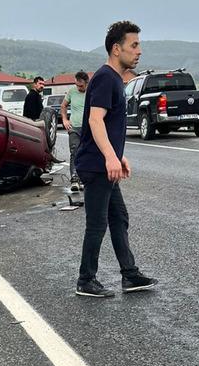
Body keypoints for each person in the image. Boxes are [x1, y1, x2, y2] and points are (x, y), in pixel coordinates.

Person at [74, 21, 157, 298]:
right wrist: (110, 157)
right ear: (116, 48)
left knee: (118, 218)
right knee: (97, 223)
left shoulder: (113, 80)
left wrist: (119, 156)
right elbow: (95, 120)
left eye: (139, 45)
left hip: (105, 163)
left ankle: (129, 275)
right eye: (134, 45)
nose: (139, 51)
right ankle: (86, 280)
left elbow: (108, 126)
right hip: (96, 165)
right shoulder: (105, 78)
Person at [61, 71, 89, 192]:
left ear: (87, 83)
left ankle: (84, 179)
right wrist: (64, 120)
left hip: (88, 128)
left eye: (81, 86)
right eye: (77, 85)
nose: (78, 88)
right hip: (74, 128)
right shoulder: (72, 91)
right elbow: (63, 106)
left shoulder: (92, 92)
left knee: (87, 153)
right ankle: (74, 179)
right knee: (75, 152)